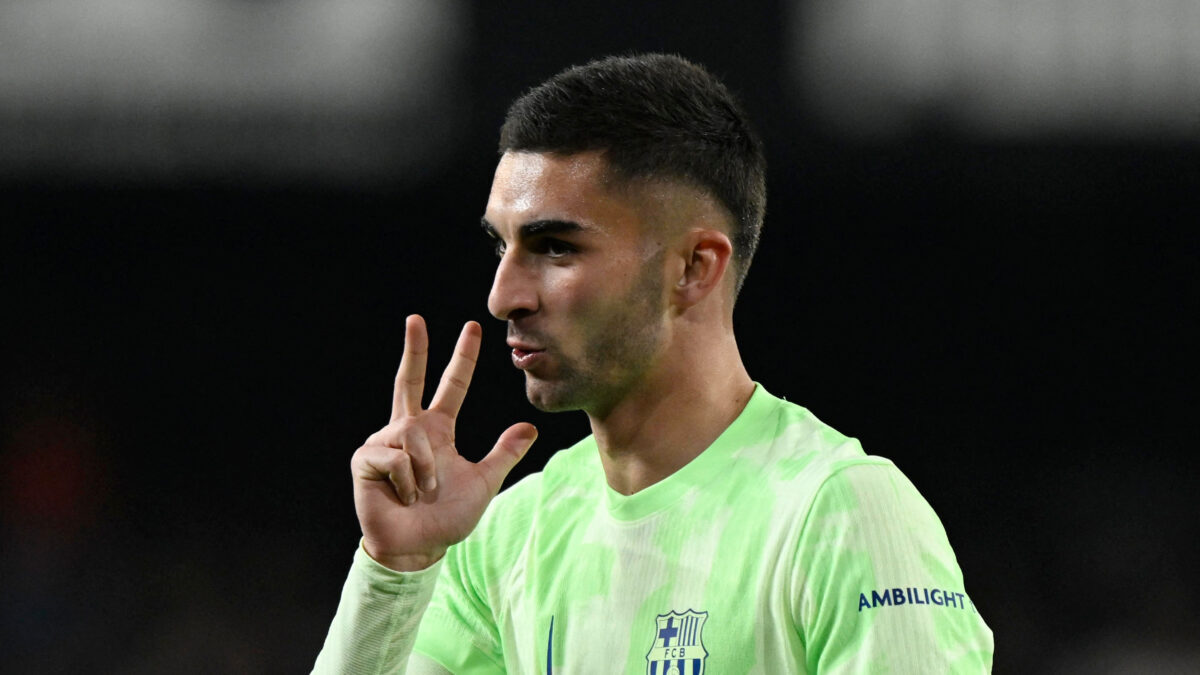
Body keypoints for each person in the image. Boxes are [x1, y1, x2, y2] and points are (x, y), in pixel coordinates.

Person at [313, 54, 993, 674]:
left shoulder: (836, 511)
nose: (504, 295)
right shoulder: (509, 535)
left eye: (555, 247)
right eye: (503, 247)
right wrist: (395, 569)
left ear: (694, 268)